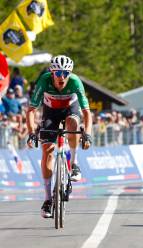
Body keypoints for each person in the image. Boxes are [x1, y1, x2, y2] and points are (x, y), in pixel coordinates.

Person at [26, 55, 93, 218]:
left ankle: (74, 163)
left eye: (65, 72)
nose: (61, 76)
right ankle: (48, 199)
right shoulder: (44, 81)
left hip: (71, 109)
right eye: (58, 73)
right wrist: (31, 132)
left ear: (69, 73)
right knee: (47, 150)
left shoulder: (75, 82)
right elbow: (31, 110)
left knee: (72, 123)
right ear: (52, 72)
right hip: (51, 113)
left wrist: (88, 134)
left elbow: (86, 112)